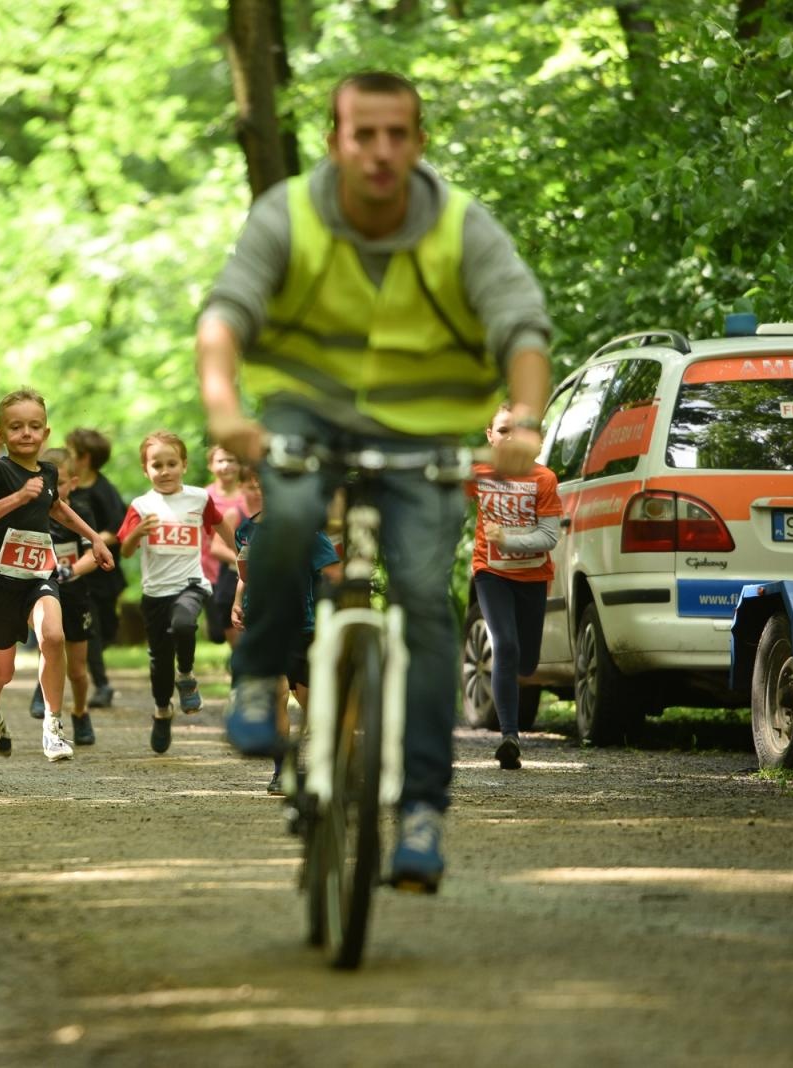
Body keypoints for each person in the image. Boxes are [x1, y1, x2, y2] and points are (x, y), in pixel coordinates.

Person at [197, 70, 551, 891]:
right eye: (364, 135)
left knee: (424, 603)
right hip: (307, 413)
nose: (382, 151)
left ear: (420, 142)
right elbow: (226, 314)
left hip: (423, 427)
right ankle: (258, 678)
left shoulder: (460, 226)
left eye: (398, 134)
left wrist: (527, 422)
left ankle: (422, 811)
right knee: (287, 514)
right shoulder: (289, 213)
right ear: (335, 141)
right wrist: (224, 408)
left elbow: (521, 327)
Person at [0, 388, 115, 761]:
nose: (26, 433)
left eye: (34, 426)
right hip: (1, 582)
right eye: (16, 427)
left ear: (46, 433)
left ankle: (53, 725)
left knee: (53, 636)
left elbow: (58, 508)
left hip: (38, 575)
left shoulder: (48, 472)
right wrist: (18, 497)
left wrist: (95, 538)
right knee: (2, 672)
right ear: (0, 434)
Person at [117, 431, 238, 754]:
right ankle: (162, 711)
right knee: (159, 661)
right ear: (146, 470)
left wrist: (240, 552)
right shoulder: (141, 506)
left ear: (184, 465)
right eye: (157, 465)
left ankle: (185, 675)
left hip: (191, 583)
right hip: (155, 592)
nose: (165, 471)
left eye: (172, 463)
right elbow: (125, 550)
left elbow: (220, 525)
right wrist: (137, 533)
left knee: (184, 624)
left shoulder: (198, 499)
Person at [228, 464, 343, 793]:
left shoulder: (308, 531)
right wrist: (238, 601)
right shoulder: (246, 531)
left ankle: (331, 762)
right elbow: (246, 574)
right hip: (265, 626)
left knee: (310, 703)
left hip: (304, 627)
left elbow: (333, 572)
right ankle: (283, 769)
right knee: (276, 694)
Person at [469, 403, 561, 771]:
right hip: (490, 572)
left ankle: (512, 725)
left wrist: (507, 539)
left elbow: (549, 537)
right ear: (490, 436)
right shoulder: (479, 473)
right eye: (503, 430)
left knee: (527, 661)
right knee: (504, 646)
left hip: (532, 577)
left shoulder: (544, 479)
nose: (510, 438)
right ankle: (510, 737)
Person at [24, 448, 100, 745]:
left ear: (74, 483)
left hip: (75, 595)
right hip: (42, 592)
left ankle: (80, 711)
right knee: (50, 642)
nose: (54, 489)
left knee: (78, 670)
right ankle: (43, 694)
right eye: (48, 483)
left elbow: (93, 555)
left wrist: (69, 571)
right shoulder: (31, 512)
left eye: (62, 483)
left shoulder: (80, 512)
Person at [65, 428, 127, 709]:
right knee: (91, 631)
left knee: (107, 630)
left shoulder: (104, 490)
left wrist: (92, 540)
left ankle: (97, 676)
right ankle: (102, 685)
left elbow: (118, 528)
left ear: (85, 458)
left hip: (104, 573)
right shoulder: (67, 487)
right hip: (78, 574)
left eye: (70, 451)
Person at [202, 446, 248, 647]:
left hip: (238, 570)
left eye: (231, 460)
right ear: (210, 466)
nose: (226, 465)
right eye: (220, 461)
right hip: (209, 570)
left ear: (239, 465)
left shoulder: (248, 496)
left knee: (239, 619)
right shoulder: (203, 496)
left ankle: (240, 657)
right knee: (217, 633)